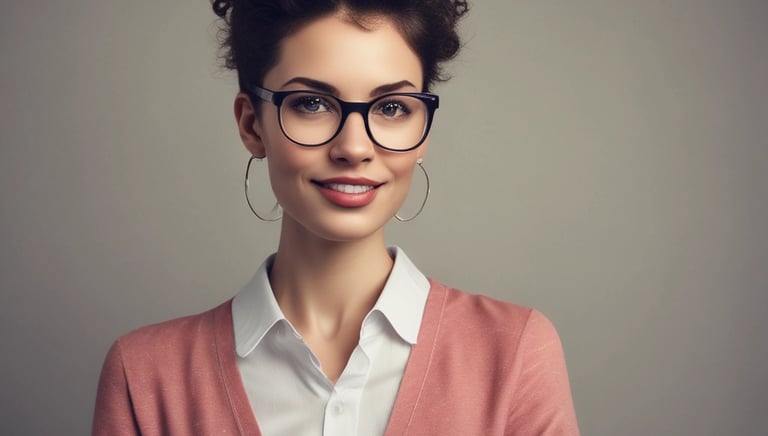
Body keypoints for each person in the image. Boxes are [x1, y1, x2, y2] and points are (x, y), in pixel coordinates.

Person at [92, 1, 580, 434]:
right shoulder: (144, 375)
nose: (354, 147)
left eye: (392, 107)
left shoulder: (514, 351)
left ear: (424, 129)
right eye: (312, 104)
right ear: (251, 125)